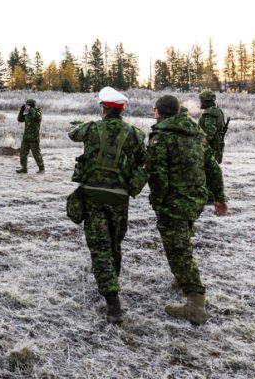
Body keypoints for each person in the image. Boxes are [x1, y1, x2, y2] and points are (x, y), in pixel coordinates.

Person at [147, 94, 229, 325]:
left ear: (159, 112)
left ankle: (195, 302)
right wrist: (220, 197)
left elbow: (158, 175)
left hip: (174, 203)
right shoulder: (196, 133)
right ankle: (181, 279)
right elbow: (212, 167)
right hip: (195, 201)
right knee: (183, 240)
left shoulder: (161, 136)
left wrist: (158, 201)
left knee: (178, 249)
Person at [68, 86, 147, 323]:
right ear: (122, 110)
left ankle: (113, 303)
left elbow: (73, 134)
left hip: (93, 197)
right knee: (114, 243)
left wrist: (82, 123)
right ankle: (111, 279)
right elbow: (142, 159)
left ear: (103, 109)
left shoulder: (91, 128)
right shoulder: (135, 133)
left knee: (100, 246)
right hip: (119, 198)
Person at [16, 98, 44, 174]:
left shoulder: (38, 113)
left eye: (28, 105)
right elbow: (20, 119)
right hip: (26, 138)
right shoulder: (28, 114)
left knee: (36, 154)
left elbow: (34, 116)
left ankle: (41, 169)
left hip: (34, 138)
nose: (27, 107)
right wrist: (21, 111)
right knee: (22, 154)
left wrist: (31, 109)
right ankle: (24, 168)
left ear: (32, 106)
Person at [198, 90, 226, 163]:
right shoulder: (216, 110)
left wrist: (199, 146)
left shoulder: (210, 113)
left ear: (206, 101)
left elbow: (209, 133)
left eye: (202, 101)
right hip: (214, 148)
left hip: (210, 149)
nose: (200, 103)